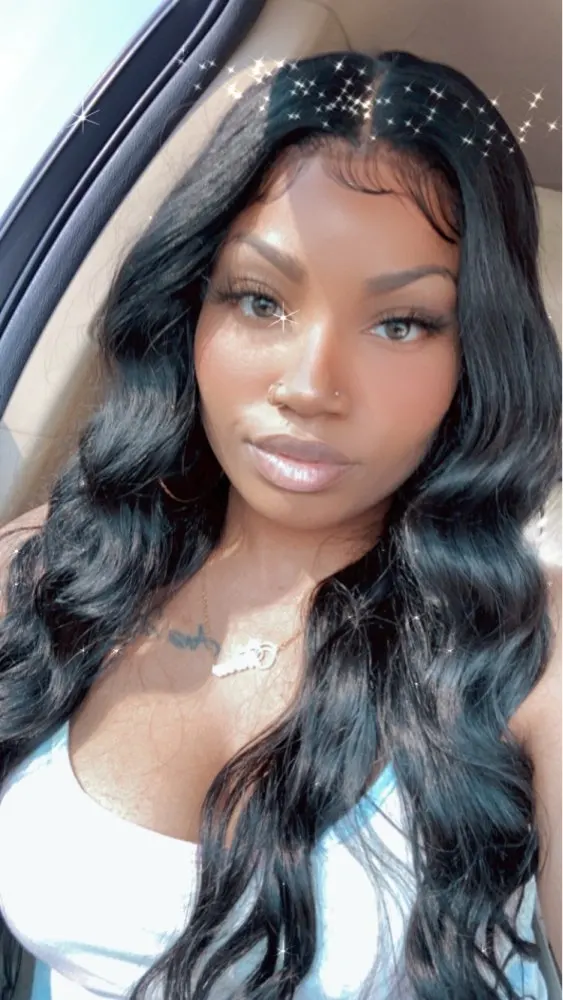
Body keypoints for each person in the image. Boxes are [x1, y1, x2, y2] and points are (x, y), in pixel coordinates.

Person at [0, 48, 560, 1000]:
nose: (309, 386)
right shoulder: (50, 566)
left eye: (401, 323)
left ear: (478, 353)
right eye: (259, 300)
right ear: (190, 309)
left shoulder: (529, 651)